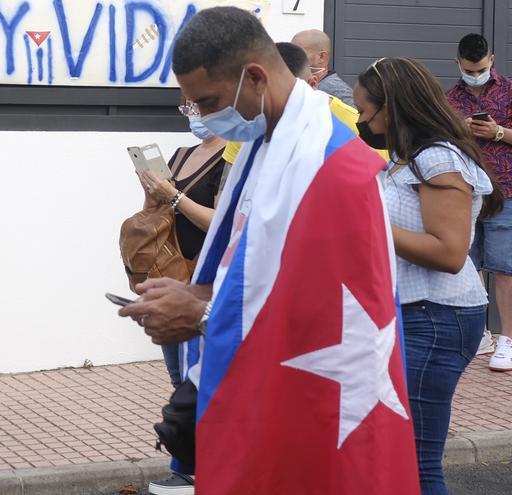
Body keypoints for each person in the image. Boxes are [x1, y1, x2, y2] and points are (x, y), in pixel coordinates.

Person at [121, 7, 419, 493]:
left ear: (255, 77)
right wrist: (194, 295)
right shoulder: (266, 145)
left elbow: (324, 317)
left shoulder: (334, 169)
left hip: (320, 410)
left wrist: (201, 317)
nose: (202, 116)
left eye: (209, 101)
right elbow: (259, 272)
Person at [354, 57, 502, 495]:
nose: (362, 120)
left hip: (438, 318)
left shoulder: (437, 158)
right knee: (398, 456)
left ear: (394, 106)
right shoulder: (407, 158)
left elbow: (450, 252)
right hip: (415, 314)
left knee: (416, 461)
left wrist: (366, 221)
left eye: (367, 110)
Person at [137, 98, 226, 495]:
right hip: (171, 275)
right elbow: (157, 216)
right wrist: (152, 194)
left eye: (197, 103)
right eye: (184, 104)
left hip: (202, 281)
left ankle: (197, 468)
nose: (190, 112)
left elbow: (220, 223)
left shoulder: (232, 157)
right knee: (178, 377)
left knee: (198, 376)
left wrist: (173, 196)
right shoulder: (180, 154)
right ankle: (187, 464)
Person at [445, 33, 512, 372]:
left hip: (505, 190)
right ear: (458, 64)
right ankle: (479, 334)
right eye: (469, 71)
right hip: (464, 190)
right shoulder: (448, 98)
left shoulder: (509, 91)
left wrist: (498, 132)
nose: (475, 75)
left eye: (481, 69)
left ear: (492, 60)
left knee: (504, 268)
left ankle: (506, 341)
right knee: (467, 265)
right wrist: (460, 129)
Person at [223, 41, 388, 166]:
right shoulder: (248, 125)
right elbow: (226, 194)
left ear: (312, 85)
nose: (276, 109)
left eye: (287, 96)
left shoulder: (352, 126)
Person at [291, 29, 355, 106]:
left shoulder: (336, 90)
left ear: (321, 57)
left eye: (298, 52)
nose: (291, 57)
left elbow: (356, 116)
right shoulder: (305, 85)